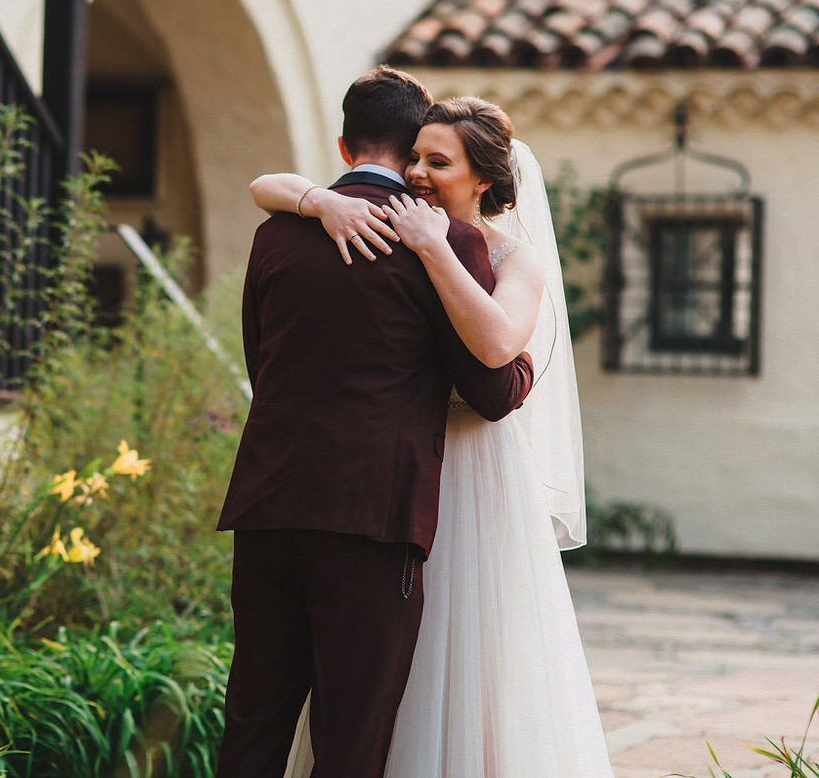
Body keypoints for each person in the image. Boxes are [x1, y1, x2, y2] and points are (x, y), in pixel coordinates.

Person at [251, 96, 614, 778]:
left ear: (483, 179)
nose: (415, 172)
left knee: (468, 651)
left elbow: (498, 344)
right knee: (376, 664)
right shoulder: (390, 228)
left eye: (436, 161)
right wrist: (320, 202)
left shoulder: (511, 256)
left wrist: (432, 247)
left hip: (474, 468)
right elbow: (263, 185)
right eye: (414, 155)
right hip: (395, 468)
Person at [215, 69, 535, 778]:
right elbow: (487, 386)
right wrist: (524, 371)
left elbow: (261, 360)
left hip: (268, 503)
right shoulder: (444, 242)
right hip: (370, 519)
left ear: (343, 140)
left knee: (253, 723)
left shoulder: (279, 232)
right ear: (412, 143)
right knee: (350, 740)